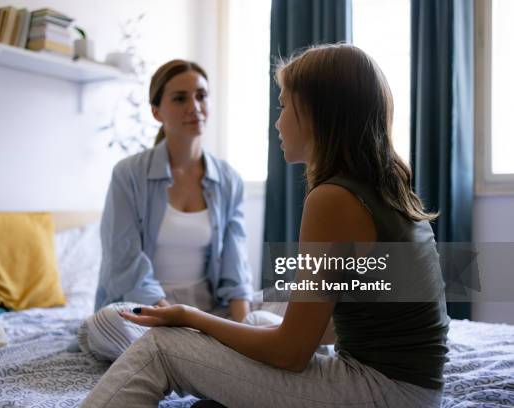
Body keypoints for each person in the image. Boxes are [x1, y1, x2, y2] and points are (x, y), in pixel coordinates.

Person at [80, 44, 450, 408]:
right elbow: (342, 323)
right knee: (257, 324)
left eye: (284, 105)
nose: (277, 120)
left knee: (161, 347)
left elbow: (291, 353)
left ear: (316, 113)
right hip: (409, 389)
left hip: (381, 391)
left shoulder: (332, 199)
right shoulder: (383, 186)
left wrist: (191, 320)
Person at [78, 59, 280, 362]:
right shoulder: (128, 174)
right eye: (180, 98)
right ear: (156, 112)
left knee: (288, 303)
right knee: (105, 324)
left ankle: (190, 355)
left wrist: (240, 327)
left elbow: (235, 264)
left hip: (210, 310)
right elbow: (124, 261)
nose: (194, 106)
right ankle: (197, 354)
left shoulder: (228, 179)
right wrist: (172, 316)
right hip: (147, 309)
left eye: (201, 95)